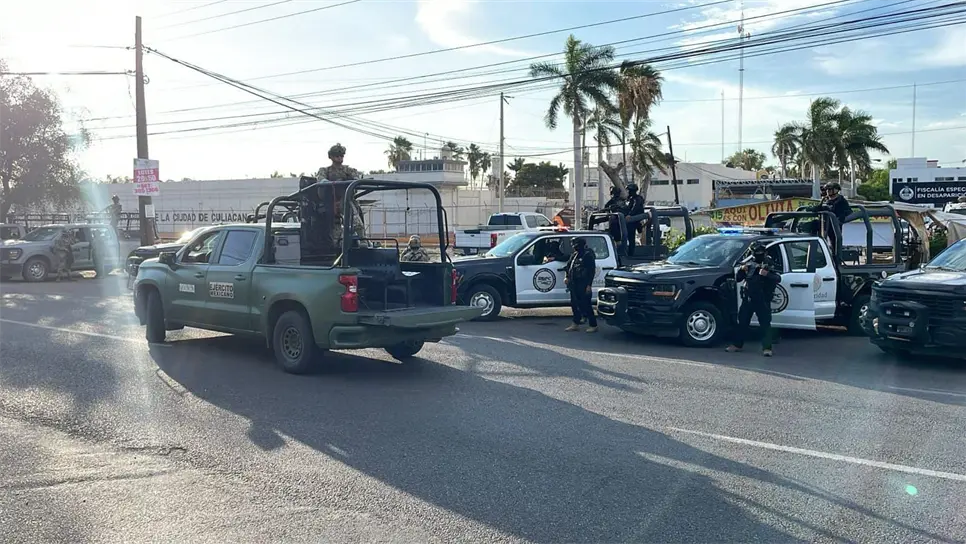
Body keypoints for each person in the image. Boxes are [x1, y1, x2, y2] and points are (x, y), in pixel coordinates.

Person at [726, 241, 782, 357]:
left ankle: (767, 348)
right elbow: (738, 279)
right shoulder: (749, 262)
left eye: (759, 253)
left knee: (765, 324)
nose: (757, 255)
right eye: (755, 253)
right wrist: (742, 270)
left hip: (763, 298)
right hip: (748, 297)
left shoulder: (768, 263)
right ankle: (737, 344)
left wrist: (767, 274)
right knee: (742, 322)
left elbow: (778, 278)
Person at [317, 143, 366, 243]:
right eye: (337, 155)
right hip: (330, 203)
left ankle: (363, 242)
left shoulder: (348, 170)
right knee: (334, 230)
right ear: (331, 157)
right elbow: (321, 180)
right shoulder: (325, 170)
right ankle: (336, 247)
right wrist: (332, 183)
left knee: (357, 224)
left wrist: (349, 180)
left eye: (341, 156)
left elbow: (357, 179)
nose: (339, 158)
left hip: (346, 200)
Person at [564, 237, 598, 333]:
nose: (573, 247)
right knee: (574, 304)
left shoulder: (588, 255)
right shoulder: (574, 255)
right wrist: (566, 277)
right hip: (574, 283)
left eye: (575, 245)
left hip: (583, 283)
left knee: (586, 304)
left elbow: (591, 271)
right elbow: (568, 267)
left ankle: (593, 325)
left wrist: (589, 285)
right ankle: (575, 323)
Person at [624, 183, 646, 256]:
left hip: (635, 220)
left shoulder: (637, 198)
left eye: (629, 190)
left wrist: (630, 215)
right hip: (631, 220)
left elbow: (635, 208)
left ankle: (631, 253)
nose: (628, 192)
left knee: (631, 238)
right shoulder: (630, 199)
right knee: (628, 237)